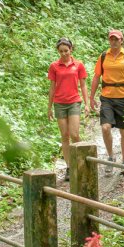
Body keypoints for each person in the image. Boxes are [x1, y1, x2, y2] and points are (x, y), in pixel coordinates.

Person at [88, 29, 124, 172]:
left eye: (117, 39)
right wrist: (91, 97)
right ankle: (110, 157)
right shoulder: (104, 56)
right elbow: (96, 77)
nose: (114, 41)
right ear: (109, 40)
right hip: (107, 98)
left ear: (121, 40)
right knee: (105, 128)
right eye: (112, 39)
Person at [47, 37, 89, 176]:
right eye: (61, 51)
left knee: (74, 134)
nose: (64, 53)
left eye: (66, 50)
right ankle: (70, 168)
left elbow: (83, 85)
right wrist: (49, 107)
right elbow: (52, 87)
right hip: (59, 103)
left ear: (71, 49)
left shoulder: (78, 65)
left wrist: (87, 103)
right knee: (64, 136)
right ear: (58, 52)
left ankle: (82, 162)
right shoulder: (54, 66)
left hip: (74, 102)